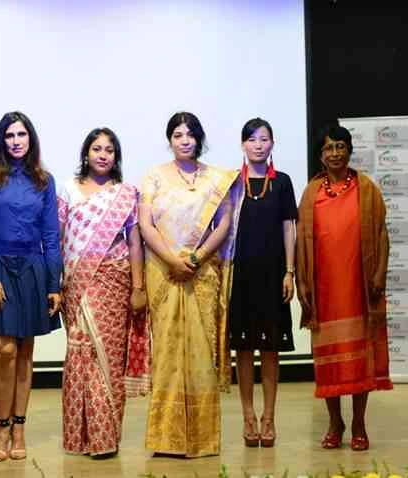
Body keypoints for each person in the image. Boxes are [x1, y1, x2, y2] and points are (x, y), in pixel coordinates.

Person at [0, 111, 62, 461]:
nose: (16, 141)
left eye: (22, 134)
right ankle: (1, 428)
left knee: (24, 353)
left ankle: (19, 428)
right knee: (4, 351)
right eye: (10, 135)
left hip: (33, 269)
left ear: (30, 139)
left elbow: (51, 235)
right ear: (1, 140)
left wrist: (53, 283)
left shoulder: (44, 180)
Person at [139, 112, 240, 458]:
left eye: (190, 134)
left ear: (199, 139)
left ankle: (201, 438)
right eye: (178, 135)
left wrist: (195, 259)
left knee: (200, 354)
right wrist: (172, 260)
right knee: (167, 352)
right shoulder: (154, 176)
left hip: (202, 273)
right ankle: (167, 439)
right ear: (170, 140)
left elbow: (224, 222)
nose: (185, 140)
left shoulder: (216, 179)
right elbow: (146, 225)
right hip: (163, 272)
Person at [296, 123, 392, 452]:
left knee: (360, 361)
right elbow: (301, 243)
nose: (335, 153)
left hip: (359, 289)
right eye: (328, 148)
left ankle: (359, 424)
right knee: (331, 364)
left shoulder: (367, 188)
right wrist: (302, 282)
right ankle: (335, 423)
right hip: (325, 292)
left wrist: (379, 273)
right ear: (320, 156)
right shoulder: (312, 193)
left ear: (349, 151)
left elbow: (381, 234)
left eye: (340, 146)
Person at [58, 127, 150, 457]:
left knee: (108, 357)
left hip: (115, 280)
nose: (102, 155)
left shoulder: (125, 194)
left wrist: (138, 287)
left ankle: (105, 437)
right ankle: (80, 436)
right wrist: (55, 284)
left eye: (109, 150)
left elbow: (135, 243)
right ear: (86, 153)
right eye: (97, 149)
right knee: (81, 351)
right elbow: (58, 238)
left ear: (116, 157)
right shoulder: (68, 189)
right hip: (77, 283)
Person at [228, 118, 298, 448]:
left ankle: (269, 418)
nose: (258, 145)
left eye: (264, 139)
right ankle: (248, 417)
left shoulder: (282, 182)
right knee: (243, 351)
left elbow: (288, 227)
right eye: (252, 139)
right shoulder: (233, 183)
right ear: (243, 144)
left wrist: (290, 272)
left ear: (272, 144)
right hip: (240, 277)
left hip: (273, 276)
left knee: (271, 350)